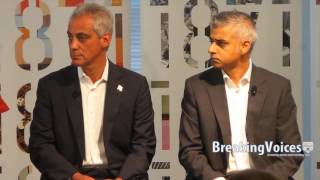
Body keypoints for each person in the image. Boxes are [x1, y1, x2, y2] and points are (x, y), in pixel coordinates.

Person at [29, 3, 156, 180]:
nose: (73, 45)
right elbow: (40, 146)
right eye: (70, 37)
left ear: (105, 39)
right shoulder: (51, 86)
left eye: (82, 38)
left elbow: (144, 145)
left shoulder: (135, 85)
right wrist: (75, 177)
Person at [178, 10, 303, 180]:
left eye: (221, 43)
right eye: (211, 41)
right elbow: (189, 150)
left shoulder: (277, 87)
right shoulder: (196, 87)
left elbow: (292, 151)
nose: (211, 49)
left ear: (245, 46)